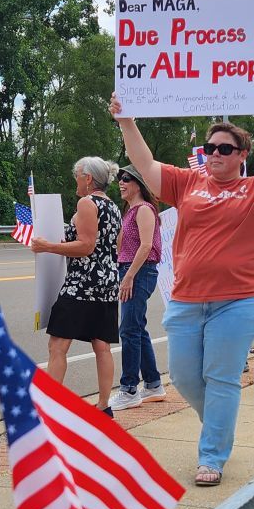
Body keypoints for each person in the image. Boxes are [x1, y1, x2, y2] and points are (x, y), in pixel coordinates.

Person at [109, 90, 254, 487]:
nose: (215, 153)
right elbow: (145, 164)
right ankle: (218, 422)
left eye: (225, 148)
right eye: (210, 147)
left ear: (241, 155)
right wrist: (126, 121)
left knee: (220, 376)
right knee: (182, 377)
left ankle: (212, 454)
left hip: (238, 301)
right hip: (186, 300)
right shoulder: (187, 183)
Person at [31, 157, 121, 416]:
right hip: (106, 282)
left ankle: (50, 407)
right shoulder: (113, 206)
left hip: (83, 284)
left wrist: (48, 247)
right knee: (102, 346)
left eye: (78, 176)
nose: (76, 181)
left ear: (88, 178)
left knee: (57, 345)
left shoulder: (87, 203)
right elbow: (108, 244)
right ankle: (105, 406)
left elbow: (86, 245)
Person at [108, 164, 166, 411]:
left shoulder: (144, 209)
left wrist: (129, 276)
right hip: (132, 269)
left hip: (139, 271)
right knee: (137, 329)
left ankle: (129, 389)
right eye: (120, 179)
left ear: (139, 184)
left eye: (127, 179)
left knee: (129, 330)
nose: (121, 182)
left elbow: (145, 247)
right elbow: (121, 246)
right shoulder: (130, 211)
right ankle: (153, 384)